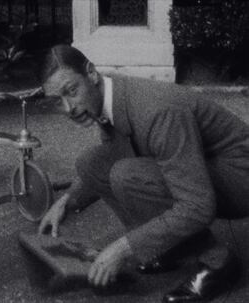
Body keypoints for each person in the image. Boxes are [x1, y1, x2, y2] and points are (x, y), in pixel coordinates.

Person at [38, 44, 249, 302]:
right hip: (209, 163)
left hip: (240, 177)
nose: (68, 108)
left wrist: (124, 247)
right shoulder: (108, 96)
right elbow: (117, 150)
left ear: (91, 74)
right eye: (57, 101)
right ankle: (170, 250)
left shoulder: (156, 112)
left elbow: (198, 206)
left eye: (72, 91)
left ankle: (219, 263)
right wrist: (68, 200)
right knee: (91, 164)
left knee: (128, 176)